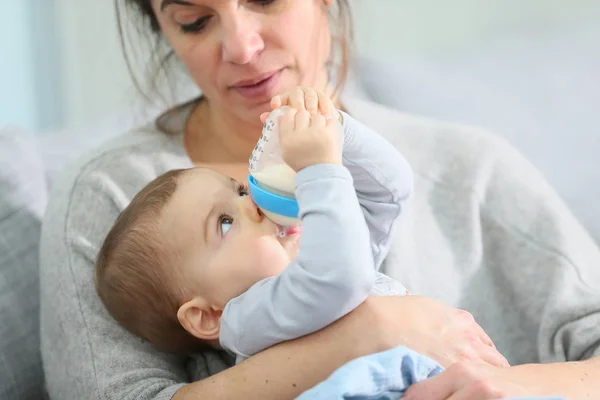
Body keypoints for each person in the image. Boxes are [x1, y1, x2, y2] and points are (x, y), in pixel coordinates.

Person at [39, 1, 600, 399]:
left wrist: (513, 387)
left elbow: (386, 196)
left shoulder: (470, 166)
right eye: (194, 20)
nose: (242, 47)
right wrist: (370, 332)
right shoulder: (114, 202)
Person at [94, 88, 412, 364]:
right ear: (208, 316)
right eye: (225, 223)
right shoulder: (250, 320)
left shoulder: (331, 248)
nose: (254, 206)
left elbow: (389, 193)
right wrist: (319, 167)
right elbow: (340, 279)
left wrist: (334, 127)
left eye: (240, 190)